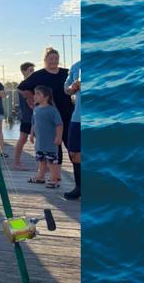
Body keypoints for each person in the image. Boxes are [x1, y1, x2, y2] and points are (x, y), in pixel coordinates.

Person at [18, 47, 73, 181]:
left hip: (67, 114)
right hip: (48, 117)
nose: (53, 61)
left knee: (72, 145)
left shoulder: (67, 73)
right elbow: (21, 87)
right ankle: (56, 176)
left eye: (56, 58)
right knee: (54, 147)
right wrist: (30, 99)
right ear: (45, 60)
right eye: (50, 58)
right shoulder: (38, 75)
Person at [28, 85, 63, 188]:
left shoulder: (52, 110)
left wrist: (59, 137)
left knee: (52, 162)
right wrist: (31, 133)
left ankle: (54, 179)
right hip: (40, 142)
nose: (35, 96)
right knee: (41, 160)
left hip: (50, 143)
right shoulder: (36, 109)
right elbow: (33, 123)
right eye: (35, 93)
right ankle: (40, 177)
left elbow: (59, 124)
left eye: (38, 94)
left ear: (46, 97)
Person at [63, 60, 81, 200]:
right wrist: (72, 88)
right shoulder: (76, 66)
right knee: (74, 153)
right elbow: (66, 89)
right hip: (77, 117)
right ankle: (79, 187)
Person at [13, 62, 35, 169]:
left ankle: (44, 165)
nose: (33, 72)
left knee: (40, 140)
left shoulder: (34, 84)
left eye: (33, 70)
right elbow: (30, 101)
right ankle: (16, 162)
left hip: (36, 117)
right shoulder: (23, 85)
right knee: (22, 139)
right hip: (27, 117)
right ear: (23, 71)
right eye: (30, 70)